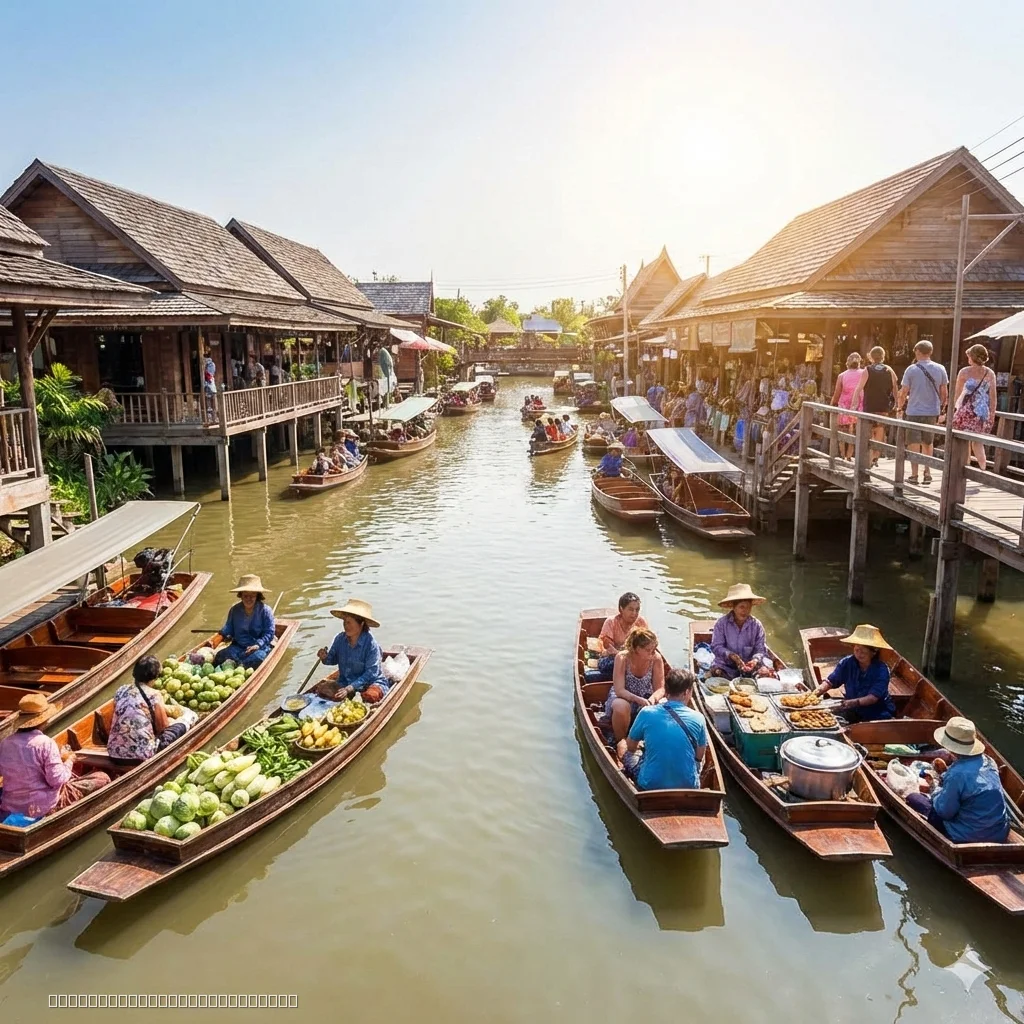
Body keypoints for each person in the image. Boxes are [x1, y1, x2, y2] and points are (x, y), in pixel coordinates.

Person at [0, 694, 110, 823]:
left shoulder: (5, 743)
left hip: (11, 804)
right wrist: (70, 760)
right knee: (102, 777)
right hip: (42, 806)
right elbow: (57, 780)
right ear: (44, 720)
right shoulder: (46, 743)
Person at [905, 717, 1010, 844]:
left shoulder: (957, 774)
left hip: (964, 836)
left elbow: (944, 812)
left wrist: (934, 787)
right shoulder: (989, 761)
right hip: (999, 832)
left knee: (913, 798)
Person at [623, 669, 707, 791]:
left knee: (622, 746)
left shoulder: (646, 712)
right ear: (687, 692)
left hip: (650, 785)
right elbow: (699, 756)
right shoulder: (699, 718)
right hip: (688, 786)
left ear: (666, 691)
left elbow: (630, 747)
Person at [107, 655, 191, 763]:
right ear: (154, 677)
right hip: (142, 755)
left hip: (114, 753)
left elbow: (119, 713)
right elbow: (162, 728)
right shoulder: (154, 695)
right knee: (186, 719)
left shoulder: (121, 690)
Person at [604, 625, 666, 757]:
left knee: (665, 705)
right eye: (648, 650)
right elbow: (619, 690)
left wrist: (653, 699)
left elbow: (660, 688)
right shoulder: (622, 658)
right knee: (621, 706)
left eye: (654, 649)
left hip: (646, 696)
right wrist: (638, 700)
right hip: (624, 696)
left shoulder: (656, 658)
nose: (653, 653)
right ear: (637, 649)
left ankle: (652, 742)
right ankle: (620, 739)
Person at [813, 624, 895, 721]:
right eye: (856, 650)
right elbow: (831, 681)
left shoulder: (882, 670)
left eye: (863, 652)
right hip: (853, 709)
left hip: (877, 713)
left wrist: (852, 702)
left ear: (873, 652)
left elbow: (873, 697)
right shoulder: (847, 663)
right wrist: (815, 693)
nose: (859, 654)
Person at [314, 599, 388, 703]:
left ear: (361, 624)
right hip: (345, 682)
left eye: (349, 622)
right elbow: (332, 660)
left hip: (369, 683)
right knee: (321, 690)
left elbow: (371, 673)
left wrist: (350, 688)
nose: (345, 625)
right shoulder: (340, 639)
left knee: (370, 696)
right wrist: (324, 658)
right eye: (344, 622)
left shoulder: (371, 645)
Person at [897, 340, 948, 486]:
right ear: (930, 352)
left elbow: (903, 392)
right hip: (932, 411)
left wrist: (899, 407)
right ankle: (928, 472)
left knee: (913, 442)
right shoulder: (940, 369)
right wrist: (942, 409)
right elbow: (944, 392)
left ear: (918, 351)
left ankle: (914, 475)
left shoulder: (911, 370)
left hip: (914, 410)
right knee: (928, 442)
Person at [214, 574, 276, 670]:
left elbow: (269, 633)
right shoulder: (234, 610)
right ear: (241, 596)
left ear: (257, 596)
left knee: (256, 659)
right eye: (245, 595)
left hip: (258, 648)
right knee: (220, 656)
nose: (249, 599)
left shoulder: (265, 611)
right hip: (238, 646)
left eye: (252, 596)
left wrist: (257, 645)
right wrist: (220, 636)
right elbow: (228, 628)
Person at [952, 343, 997, 471]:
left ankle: (964, 469)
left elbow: (957, 395)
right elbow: (993, 397)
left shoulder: (964, 372)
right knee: (978, 442)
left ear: (972, 357)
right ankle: (983, 470)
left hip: (966, 410)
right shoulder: (990, 373)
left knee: (964, 441)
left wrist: (955, 411)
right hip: (981, 411)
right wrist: (992, 414)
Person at [710, 584, 770, 679]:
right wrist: (731, 655)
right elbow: (716, 647)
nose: (745, 611)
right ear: (733, 607)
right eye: (742, 607)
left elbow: (761, 649)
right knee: (717, 673)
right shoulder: (722, 624)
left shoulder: (756, 625)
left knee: (766, 674)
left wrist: (754, 660)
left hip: (749, 666)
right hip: (726, 666)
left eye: (748, 607)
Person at [852, 346, 899, 466]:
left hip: (870, 405)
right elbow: (895, 386)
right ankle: (875, 457)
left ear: (871, 357)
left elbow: (859, 388)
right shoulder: (889, 370)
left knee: (869, 430)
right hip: (883, 405)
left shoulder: (867, 370)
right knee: (880, 430)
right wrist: (897, 403)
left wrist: (854, 403)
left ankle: (871, 455)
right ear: (883, 356)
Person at [830, 352, 865, 459]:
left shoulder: (842, 375)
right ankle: (850, 455)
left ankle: (842, 454)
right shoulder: (864, 373)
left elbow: (837, 393)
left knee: (842, 431)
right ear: (859, 362)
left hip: (844, 406)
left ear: (847, 363)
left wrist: (832, 405)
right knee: (853, 431)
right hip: (858, 406)